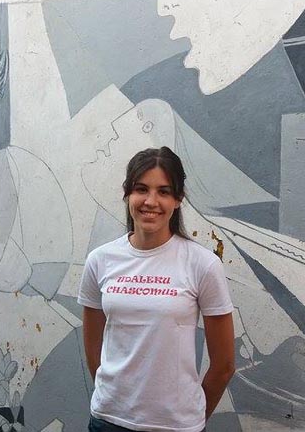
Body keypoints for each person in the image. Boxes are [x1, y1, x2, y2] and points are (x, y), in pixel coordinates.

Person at [78, 147, 235, 432]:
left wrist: (192, 416)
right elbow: (93, 347)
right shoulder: (100, 260)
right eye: (141, 189)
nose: (151, 201)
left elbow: (224, 365)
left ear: (178, 200)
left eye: (164, 191)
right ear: (128, 194)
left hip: (175, 426)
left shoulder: (203, 265)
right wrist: (112, 398)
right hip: (108, 421)